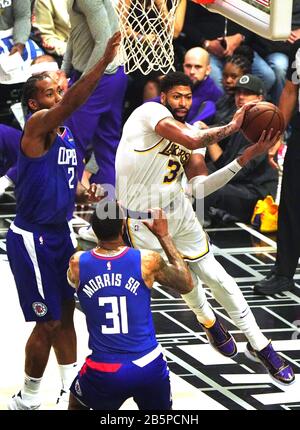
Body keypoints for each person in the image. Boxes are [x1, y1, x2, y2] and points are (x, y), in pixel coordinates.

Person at [115, 71, 294, 385]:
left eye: (187, 97)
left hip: (180, 210)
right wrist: (234, 126)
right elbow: (194, 139)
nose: (183, 103)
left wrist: (244, 158)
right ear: (163, 98)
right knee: (185, 282)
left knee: (219, 278)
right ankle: (207, 319)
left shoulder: (191, 134)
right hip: (142, 220)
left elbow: (200, 189)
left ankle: (260, 344)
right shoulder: (150, 114)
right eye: (176, 97)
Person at [6, 32, 121, 410]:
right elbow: (73, 101)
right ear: (34, 102)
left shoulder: (67, 135)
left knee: (68, 313)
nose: (58, 96)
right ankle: (29, 397)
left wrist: (83, 191)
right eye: (51, 93)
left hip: (59, 233)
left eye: (58, 91)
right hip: (32, 238)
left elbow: (66, 177)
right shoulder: (37, 125)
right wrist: (101, 63)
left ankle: (74, 389)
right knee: (48, 322)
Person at [67, 202, 193, 410]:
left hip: (104, 369)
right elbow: (186, 283)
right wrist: (164, 236)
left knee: (76, 403)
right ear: (123, 228)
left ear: (93, 230)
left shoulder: (78, 263)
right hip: (148, 365)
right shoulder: (147, 260)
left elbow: (72, 281)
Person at [62, 0, 128, 189]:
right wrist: (64, 71)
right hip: (115, 74)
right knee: (107, 146)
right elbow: (75, 35)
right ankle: (110, 211)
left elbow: (105, 43)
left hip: (99, 78)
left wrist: (83, 83)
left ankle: (65, 207)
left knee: (72, 143)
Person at [254, 39, 300, 295]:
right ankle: (283, 272)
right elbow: (291, 91)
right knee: (292, 203)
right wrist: (278, 133)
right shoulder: (299, 48)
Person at [204, 74, 278, 225]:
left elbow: (236, 172)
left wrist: (208, 140)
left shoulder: (266, 126)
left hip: (255, 192)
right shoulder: (238, 120)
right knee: (195, 177)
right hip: (237, 185)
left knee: (207, 188)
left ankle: (198, 226)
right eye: (238, 92)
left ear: (260, 98)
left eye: (247, 93)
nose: (241, 97)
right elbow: (215, 129)